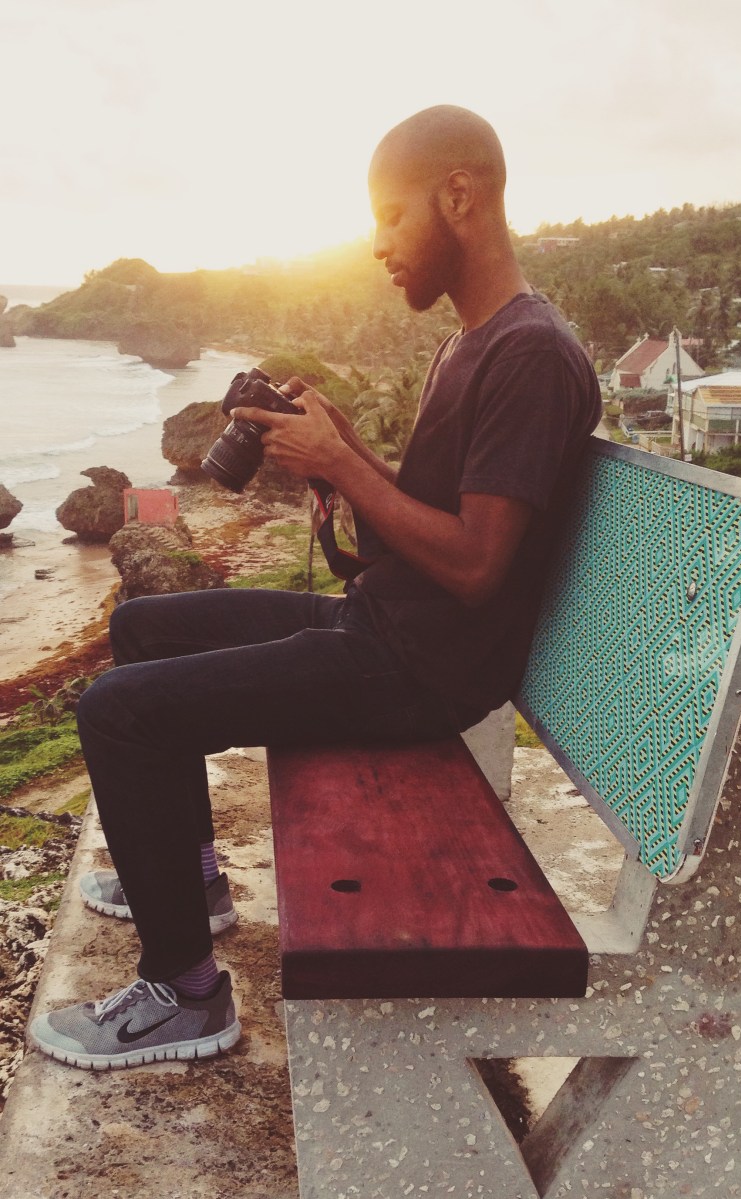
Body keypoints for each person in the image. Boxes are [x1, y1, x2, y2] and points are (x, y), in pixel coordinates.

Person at [29, 105, 602, 1070]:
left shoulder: (530, 353)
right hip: (383, 625)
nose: (377, 244)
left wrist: (341, 461)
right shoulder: (473, 341)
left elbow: (475, 565)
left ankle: (185, 993)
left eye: (389, 214)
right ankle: (193, 883)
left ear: (458, 196)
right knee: (145, 630)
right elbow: (422, 521)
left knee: (117, 712)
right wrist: (342, 457)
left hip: (417, 669)